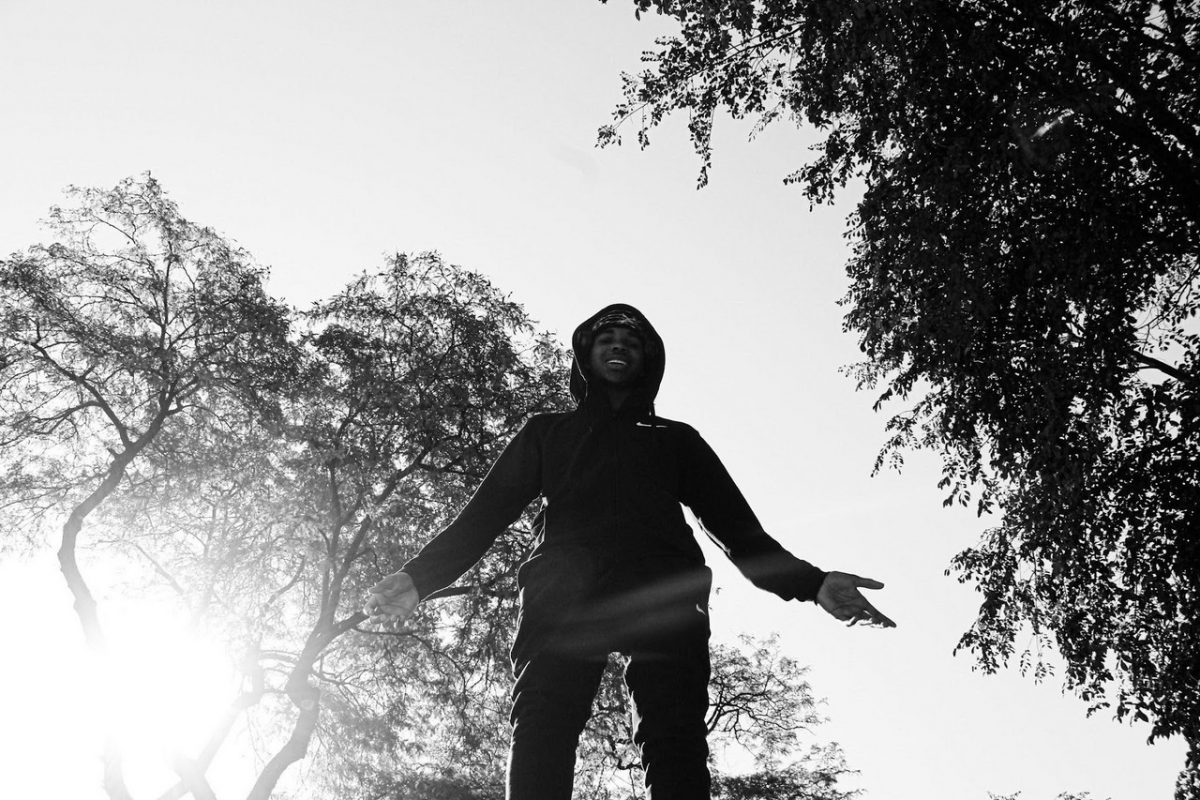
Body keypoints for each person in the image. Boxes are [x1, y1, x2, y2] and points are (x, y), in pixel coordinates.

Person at [365, 303, 894, 800]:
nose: (619, 346)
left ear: (648, 361)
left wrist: (813, 582)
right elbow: (485, 516)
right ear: (586, 355)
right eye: (607, 338)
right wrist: (418, 578)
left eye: (632, 342)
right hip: (564, 592)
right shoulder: (549, 433)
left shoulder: (677, 440)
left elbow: (740, 533)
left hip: (663, 591)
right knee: (543, 722)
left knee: (675, 735)